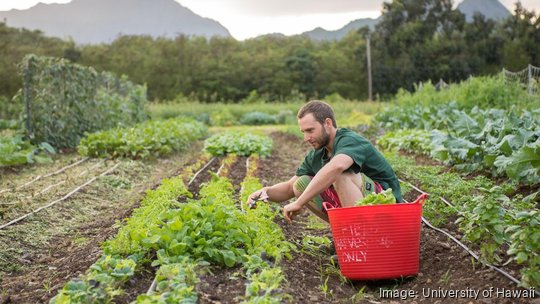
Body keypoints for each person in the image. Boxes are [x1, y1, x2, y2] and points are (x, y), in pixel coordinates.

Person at [246, 100, 404, 223]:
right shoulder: (317, 154)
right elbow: (288, 188)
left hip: (388, 207)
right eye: (303, 132)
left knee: (340, 175)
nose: (306, 138)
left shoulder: (349, 140)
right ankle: (346, 232)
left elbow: (337, 167)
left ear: (327, 123)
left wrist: (299, 203)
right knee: (300, 184)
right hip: (362, 209)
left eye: (310, 130)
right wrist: (264, 192)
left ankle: (360, 238)